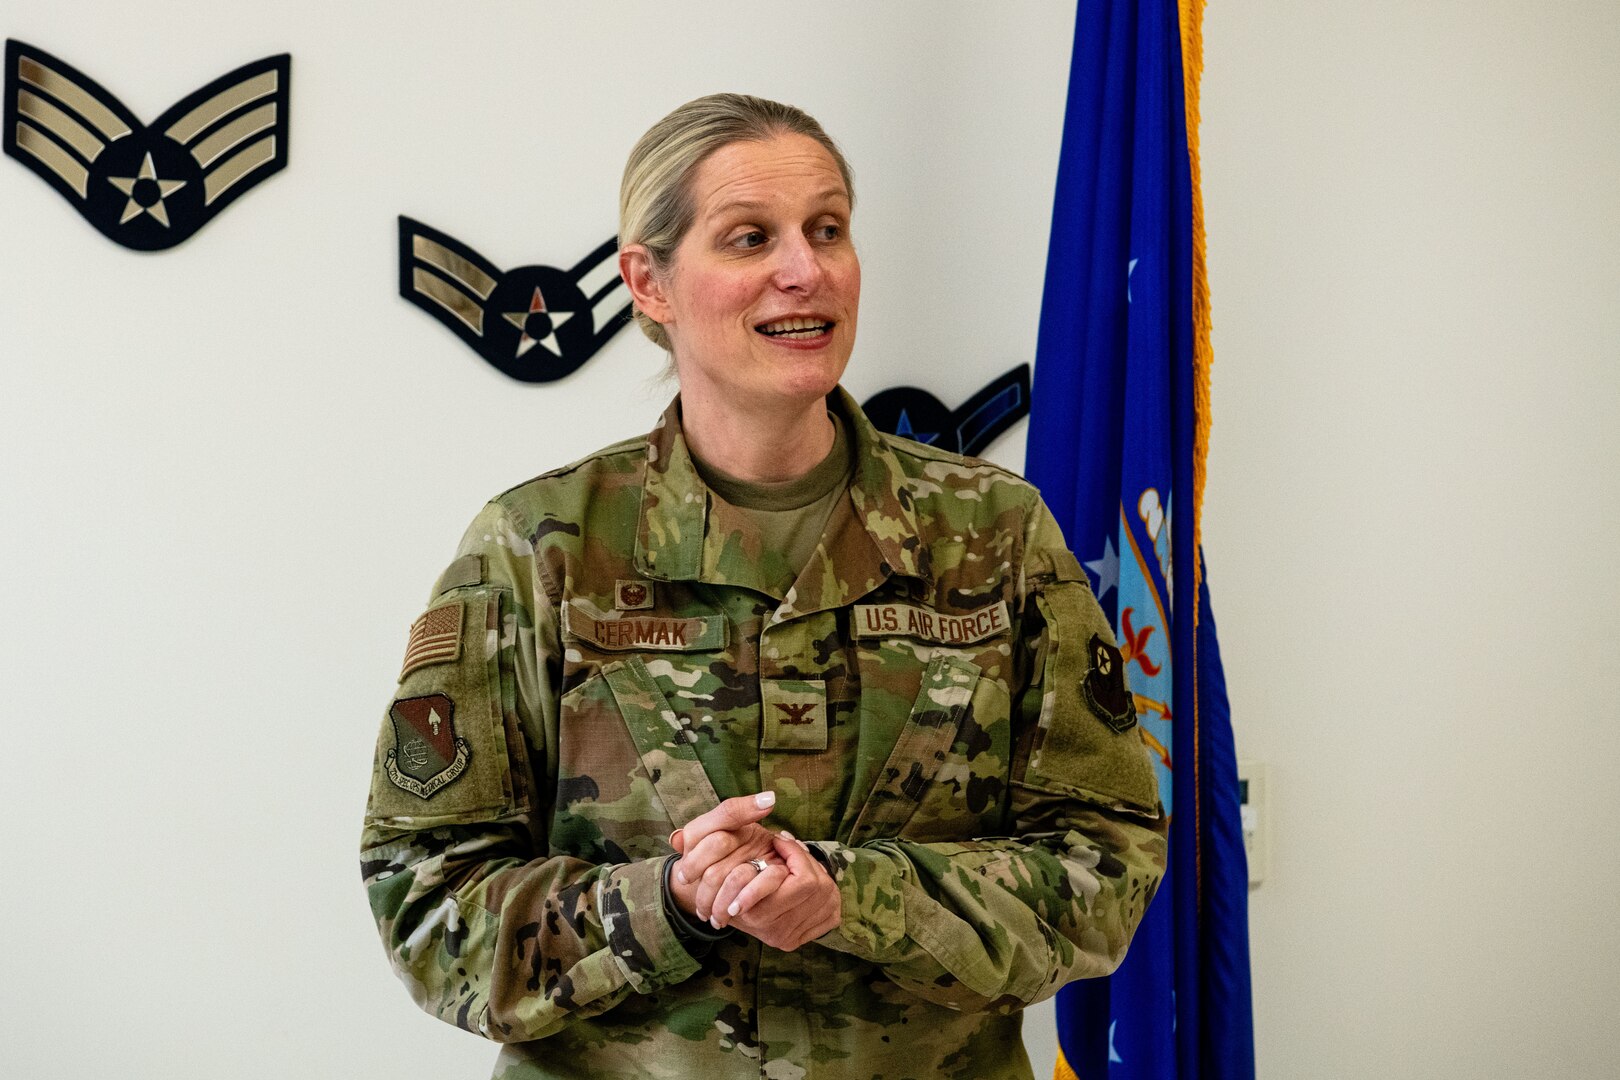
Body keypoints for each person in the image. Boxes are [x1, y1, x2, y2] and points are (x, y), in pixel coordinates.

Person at [361, 93, 1167, 1080]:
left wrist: (853, 895)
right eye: (751, 237)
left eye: (828, 229)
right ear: (648, 283)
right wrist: (669, 903)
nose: (807, 269)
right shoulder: (541, 547)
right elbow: (427, 899)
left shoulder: (994, 534)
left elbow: (1106, 859)